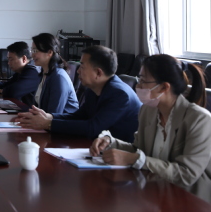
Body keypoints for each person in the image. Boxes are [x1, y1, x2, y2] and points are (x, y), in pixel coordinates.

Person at [90, 54, 211, 203]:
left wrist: (136, 159)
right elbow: (139, 149)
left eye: (143, 80)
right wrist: (110, 142)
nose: (137, 86)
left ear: (164, 87)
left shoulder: (200, 119)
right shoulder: (148, 110)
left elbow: (186, 174)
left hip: (190, 200)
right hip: (156, 192)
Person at [16, 45, 142, 142]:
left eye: (82, 67)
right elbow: (79, 116)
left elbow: (93, 128)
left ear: (98, 72)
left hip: (122, 155)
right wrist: (49, 117)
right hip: (98, 148)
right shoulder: (93, 89)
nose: (77, 71)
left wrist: (48, 124)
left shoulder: (120, 94)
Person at [28, 33, 78, 114]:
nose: (32, 55)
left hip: (61, 121)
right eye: (32, 50)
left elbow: (55, 114)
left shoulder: (58, 77)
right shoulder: (44, 73)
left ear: (50, 52)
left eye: (36, 51)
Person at [0, 41, 40, 106]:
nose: (8, 63)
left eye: (11, 59)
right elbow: (9, 83)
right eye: (8, 59)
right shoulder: (22, 70)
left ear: (23, 58)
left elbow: (14, 92)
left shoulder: (32, 72)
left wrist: (4, 91)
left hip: (33, 111)